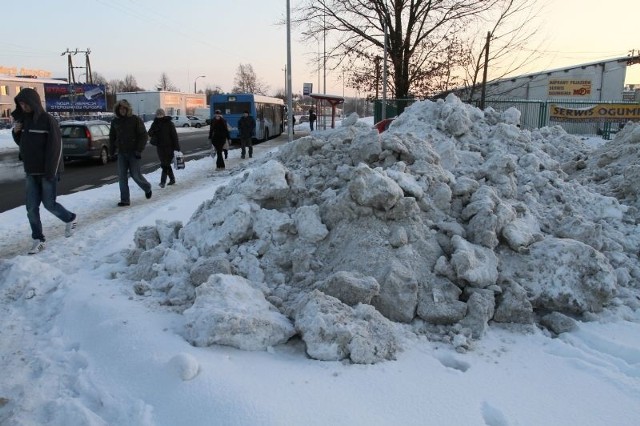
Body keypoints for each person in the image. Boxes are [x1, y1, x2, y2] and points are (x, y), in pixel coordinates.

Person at [11, 88, 77, 254]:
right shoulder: (23, 120)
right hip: (31, 171)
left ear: (34, 102)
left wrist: (51, 171)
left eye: (26, 104)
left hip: (48, 171)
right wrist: (15, 133)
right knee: (31, 208)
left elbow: (56, 148)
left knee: (49, 204)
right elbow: (23, 145)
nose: (24, 107)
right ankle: (38, 238)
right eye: (21, 104)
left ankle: (70, 218)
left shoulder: (48, 120)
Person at [109, 99, 152, 206]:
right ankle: (125, 199)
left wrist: (138, 150)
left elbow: (143, 135)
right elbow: (112, 137)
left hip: (133, 152)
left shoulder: (135, 120)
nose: (122, 110)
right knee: (122, 177)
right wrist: (111, 152)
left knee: (135, 175)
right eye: (120, 108)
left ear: (128, 109)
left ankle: (147, 188)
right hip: (121, 153)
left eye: (124, 108)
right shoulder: (115, 121)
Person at [148, 108, 180, 188]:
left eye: (161, 114)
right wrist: (155, 130)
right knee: (165, 164)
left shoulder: (169, 123)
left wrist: (177, 148)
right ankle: (172, 179)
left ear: (163, 114)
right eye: (158, 114)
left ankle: (162, 182)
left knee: (165, 164)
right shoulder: (155, 123)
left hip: (169, 147)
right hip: (160, 147)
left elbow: (174, 136)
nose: (159, 116)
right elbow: (149, 133)